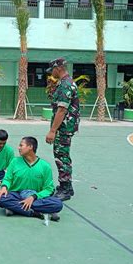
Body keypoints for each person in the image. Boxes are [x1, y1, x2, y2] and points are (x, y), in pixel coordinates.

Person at [0, 137, 63, 220]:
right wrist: (4, 187)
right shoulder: (14, 161)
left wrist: (33, 197)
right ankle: (35, 212)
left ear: (30, 147)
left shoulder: (45, 166)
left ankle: (15, 208)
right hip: (17, 195)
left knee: (58, 204)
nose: (18, 148)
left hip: (36, 196)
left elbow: (49, 189)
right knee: (0, 198)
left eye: (21, 145)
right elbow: (7, 179)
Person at [45, 57, 80, 201]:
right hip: (66, 126)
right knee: (63, 156)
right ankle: (67, 186)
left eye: (52, 69)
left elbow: (61, 110)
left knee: (61, 156)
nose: (51, 72)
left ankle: (65, 189)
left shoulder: (66, 85)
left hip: (63, 127)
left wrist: (52, 131)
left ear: (58, 68)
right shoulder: (67, 83)